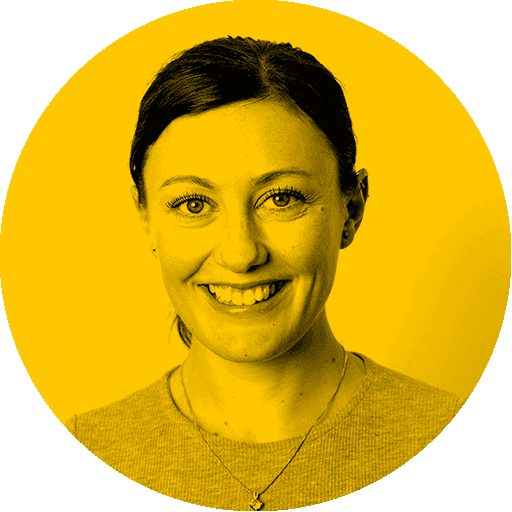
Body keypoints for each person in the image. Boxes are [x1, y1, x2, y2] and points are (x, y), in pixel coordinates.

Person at [65, 36, 465, 510]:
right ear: (146, 216)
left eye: (281, 199)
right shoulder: (76, 454)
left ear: (352, 209)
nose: (241, 254)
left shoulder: (462, 444)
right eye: (193, 204)